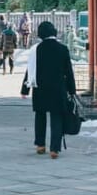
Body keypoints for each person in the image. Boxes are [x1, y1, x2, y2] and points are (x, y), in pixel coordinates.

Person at [20, 21, 76, 159]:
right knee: (57, 117)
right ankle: (54, 149)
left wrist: (25, 89)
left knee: (40, 116)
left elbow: (30, 71)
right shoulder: (62, 49)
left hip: (40, 88)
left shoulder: (36, 50)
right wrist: (72, 89)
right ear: (54, 32)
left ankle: (40, 145)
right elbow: (69, 71)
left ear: (40, 34)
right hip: (58, 88)